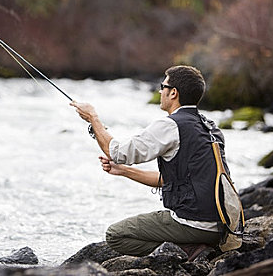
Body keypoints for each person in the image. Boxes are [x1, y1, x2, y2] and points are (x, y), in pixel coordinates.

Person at [70, 65, 230, 262]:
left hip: (193, 224)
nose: (160, 90)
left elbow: (118, 152)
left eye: (163, 86)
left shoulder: (170, 125)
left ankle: (185, 251)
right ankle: (196, 246)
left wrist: (93, 118)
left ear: (173, 93)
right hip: (220, 225)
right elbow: (172, 181)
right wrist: (124, 171)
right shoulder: (210, 127)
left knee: (115, 235)